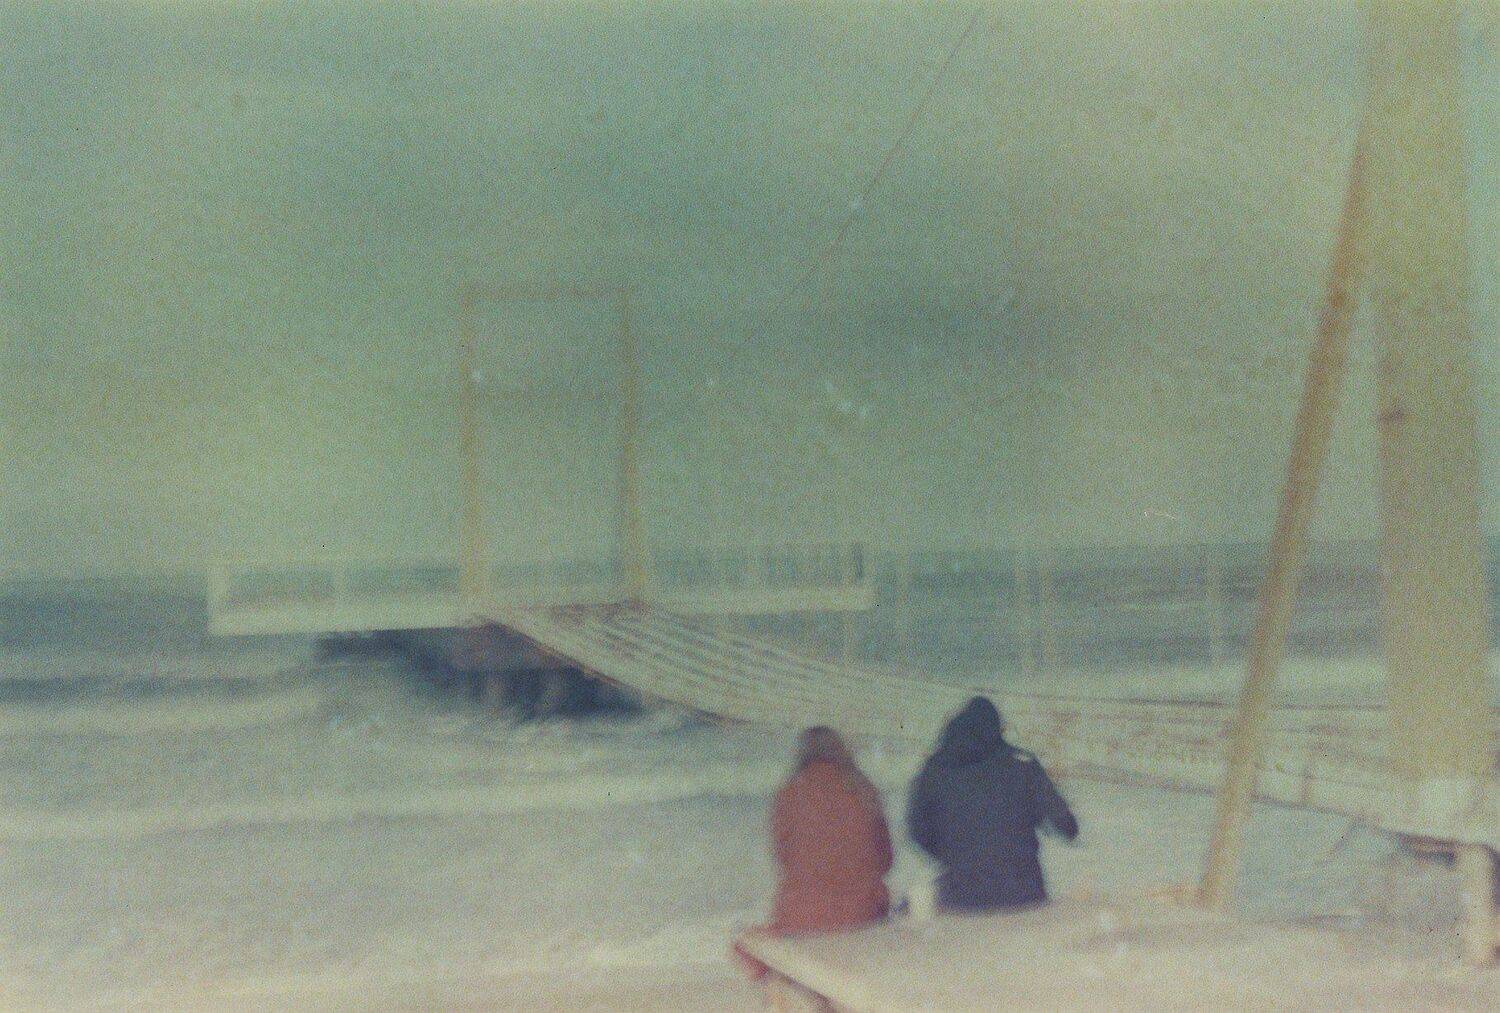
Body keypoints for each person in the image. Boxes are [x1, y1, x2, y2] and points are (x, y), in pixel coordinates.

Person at [735, 726, 893, 978]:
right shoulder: (863, 789)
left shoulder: (790, 793)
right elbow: (886, 860)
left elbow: (784, 858)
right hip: (862, 915)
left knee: (748, 943)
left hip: (801, 918)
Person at [907, 696, 1078, 913]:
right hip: (1023, 894)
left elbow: (917, 829)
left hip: (960, 896)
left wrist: (956, 857)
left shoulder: (935, 768)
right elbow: (1065, 823)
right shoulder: (1022, 764)